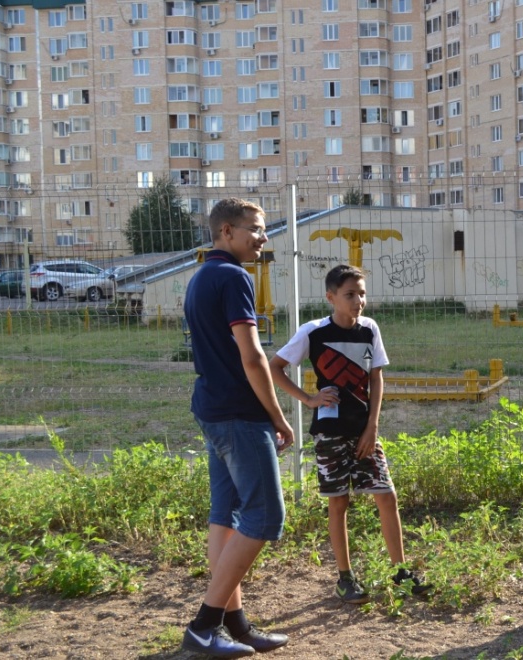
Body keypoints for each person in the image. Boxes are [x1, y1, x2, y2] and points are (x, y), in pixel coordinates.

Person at [270, 264, 431, 603]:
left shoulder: (369, 329)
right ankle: (345, 578)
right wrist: (308, 399)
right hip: (329, 432)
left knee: (386, 496)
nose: (358, 301)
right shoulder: (313, 332)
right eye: (350, 295)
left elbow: (376, 377)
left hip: (364, 431)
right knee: (339, 502)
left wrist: (372, 426)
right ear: (331, 297)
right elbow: (275, 367)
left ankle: (401, 572)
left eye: (362, 293)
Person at [182, 198, 294, 658]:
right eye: (255, 229)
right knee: (265, 517)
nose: (263, 238)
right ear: (226, 231)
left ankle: (236, 625)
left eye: (264, 230)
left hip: (213, 408)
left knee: (225, 517)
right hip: (238, 414)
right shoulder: (233, 277)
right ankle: (204, 626)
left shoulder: (200, 276)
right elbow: (253, 356)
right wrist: (278, 416)